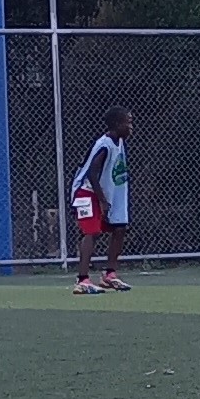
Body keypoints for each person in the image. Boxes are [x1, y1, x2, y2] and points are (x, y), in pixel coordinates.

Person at [72, 113, 133, 290]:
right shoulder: (104, 145)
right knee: (92, 232)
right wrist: (102, 201)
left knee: (120, 228)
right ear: (116, 124)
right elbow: (92, 174)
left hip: (106, 193)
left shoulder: (119, 142)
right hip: (86, 191)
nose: (131, 127)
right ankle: (82, 280)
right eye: (128, 122)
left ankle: (109, 275)